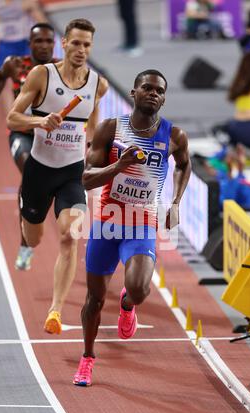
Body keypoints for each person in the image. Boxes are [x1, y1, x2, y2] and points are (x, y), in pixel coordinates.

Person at [73, 69, 191, 386]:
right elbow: (86, 178)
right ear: (134, 92)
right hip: (108, 224)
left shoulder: (174, 135)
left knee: (138, 289)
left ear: (164, 98)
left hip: (141, 225)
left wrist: (177, 202)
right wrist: (119, 166)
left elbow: (183, 164)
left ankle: (127, 305)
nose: (154, 93)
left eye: (160, 91)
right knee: (94, 300)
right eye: (147, 88)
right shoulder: (111, 129)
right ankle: (87, 358)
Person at [7, 18, 108, 334]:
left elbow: (92, 125)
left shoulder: (97, 84)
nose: (81, 50)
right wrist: (40, 123)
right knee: (34, 236)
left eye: (87, 45)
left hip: (71, 174)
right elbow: (12, 119)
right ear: (64, 43)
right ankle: (27, 242)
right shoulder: (42, 75)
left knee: (70, 235)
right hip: (38, 171)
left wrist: (91, 155)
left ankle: (55, 311)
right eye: (76, 43)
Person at [0, 23, 57, 271]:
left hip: (52, 138)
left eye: (49, 41)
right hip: (22, 134)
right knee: (31, 172)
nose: (44, 46)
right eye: (39, 41)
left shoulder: (61, 69)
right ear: (30, 43)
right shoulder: (15, 64)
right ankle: (26, 243)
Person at [0, 0, 47, 69]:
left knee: (29, 70)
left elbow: (42, 21)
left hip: (24, 43)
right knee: (3, 72)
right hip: (5, 43)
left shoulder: (27, 2)